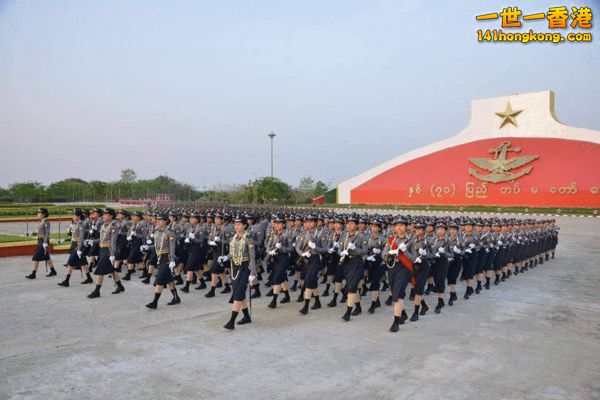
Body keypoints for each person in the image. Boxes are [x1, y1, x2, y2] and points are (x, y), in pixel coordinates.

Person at [223, 216, 257, 330]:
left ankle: (231, 321)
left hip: (244, 268)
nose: (236, 226)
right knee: (239, 293)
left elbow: (252, 256)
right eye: (235, 224)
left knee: (237, 294)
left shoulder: (248, 238)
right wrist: (225, 258)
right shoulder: (234, 238)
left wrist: (253, 273)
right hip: (234, 268)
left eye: (238, 224)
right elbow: (232, 254)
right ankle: (247, 316)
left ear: (244, 225)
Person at [381, 217, 413, 332]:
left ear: (406, 227)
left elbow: (413, 258)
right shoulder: (391, 240)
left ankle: (396, 322)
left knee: (398, 295)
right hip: (392, 268)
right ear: (394, 228)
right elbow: (383, 255)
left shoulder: (410, 240)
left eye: (402, 225)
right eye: (397, 225)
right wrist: (390, 253)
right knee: (394, 292)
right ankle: (403, 313)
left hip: (404, 269)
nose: (399, 228)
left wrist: (405, 251)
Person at [86, 208, 125, 298]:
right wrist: (93, 241)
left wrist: (112, 254)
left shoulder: (113, 226)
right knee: (111, 270)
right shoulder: (103, 225)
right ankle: (120, 286)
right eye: (103, 214)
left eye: (106, 214)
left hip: (108, 250)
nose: (103, 216)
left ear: (111, 216)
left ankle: (97, 291)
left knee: (100, 271)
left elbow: (113, 241)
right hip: (102, 249)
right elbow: (102, 238)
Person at [145, 213, 181, 309]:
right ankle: (176, 297)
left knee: (159, 279)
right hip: (159, 257)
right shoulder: (157, 232)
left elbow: (172, 247)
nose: (158, 221)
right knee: (169, 280)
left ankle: (155, 302)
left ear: (165, 221)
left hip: (167, 258)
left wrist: (173, 260)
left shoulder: (170, 232)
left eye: (161, 220)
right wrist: (148, 247)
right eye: (157, 220)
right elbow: (156, 246)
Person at [295, 214, 326, 315]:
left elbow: (324, 249)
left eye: (311, 222)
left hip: (315, 259)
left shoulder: (320, 234)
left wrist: (315, 247)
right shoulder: (303, 234)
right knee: (312, 281)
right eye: (307, 222)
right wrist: (302, 253)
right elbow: (297, 247)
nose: (309, 223)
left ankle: (306, 306)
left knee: (308, 281)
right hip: (305, 259)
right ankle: (317, 302)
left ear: (316, 223)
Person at [338, 215, 368, 321]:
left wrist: (355, 249)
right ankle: (358, 307)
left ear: (356, 225)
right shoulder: (344, 236)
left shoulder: (361, 236)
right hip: (347, 263)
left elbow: (365, 251)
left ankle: (348, 312)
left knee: (351, 288)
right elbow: (339, 249)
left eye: (352, 224)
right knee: (352, 287)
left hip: (357, 262)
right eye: (348, 223)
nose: (349, 225)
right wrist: (342, 252)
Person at [265, 214, 293, 308]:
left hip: (284, 257)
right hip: (275, 257)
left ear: (284, 224)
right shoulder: (273, 233)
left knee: (276, 278)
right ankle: (287, 296)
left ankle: (274, 300)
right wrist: (270, 251)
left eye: (279, 223)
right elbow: (268, 245)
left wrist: (282, 248)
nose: (277, 225)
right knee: (282, 278)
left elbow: (291, 248)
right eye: (276, 223)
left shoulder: (287, 234)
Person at [58, 209, 88, 287]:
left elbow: (81, 238)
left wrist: (78, 249)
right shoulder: (74, 224)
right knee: (83, 262)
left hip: (79, 245)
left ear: (78, 216)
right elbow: (72, 236)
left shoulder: (81, 225)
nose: (73, 217)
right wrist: (63, 240)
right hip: (74, 244)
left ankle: (66, 281)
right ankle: (89, 278)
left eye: (74, 215)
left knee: (70, 262)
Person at [180, 212, 209, 293]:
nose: (191, 219)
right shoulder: (189, 227)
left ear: (197, 219)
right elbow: (187, 236)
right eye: (191, 218)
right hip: (190, 248)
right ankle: (203, 283)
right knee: (196, 268)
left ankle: (186, 286)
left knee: (189, 266)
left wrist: (193, 238)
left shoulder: (201, 229)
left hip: (197, 249)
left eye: (193, 218)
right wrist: (187, 239)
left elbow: (201, 241)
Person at [26, 207, 56, 279]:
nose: (37, 214)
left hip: (43, 241)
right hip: (39, 240)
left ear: (43, 214)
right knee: (46, 257)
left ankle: (33, 274)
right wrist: (31, 233)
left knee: (36, 257)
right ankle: (53, 271)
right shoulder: (40, 222)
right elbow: (38, 233)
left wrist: (45, 242)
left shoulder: (46, 222)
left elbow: (47, 233)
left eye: (39, 213)